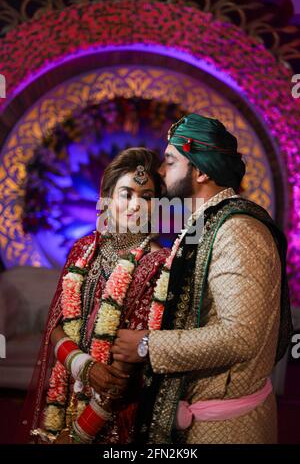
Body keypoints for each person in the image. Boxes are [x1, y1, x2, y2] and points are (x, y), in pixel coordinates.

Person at [112, 114, 293, 444]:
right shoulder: (206, 223)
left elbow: (241, 336)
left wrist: (146, 345)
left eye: (170, 161)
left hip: (225, 429)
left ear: (201, 170)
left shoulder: (236, 231)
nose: (162, 173)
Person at [19, 147, 169, 444]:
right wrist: (81, 365)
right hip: (67, 395)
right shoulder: (82, 250)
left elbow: (122, 371)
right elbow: (55, 324)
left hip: (119, 414)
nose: (136, 204)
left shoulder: (158, 264)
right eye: (126, 194)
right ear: (107, 199)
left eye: (147, 197)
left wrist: (78, 436)